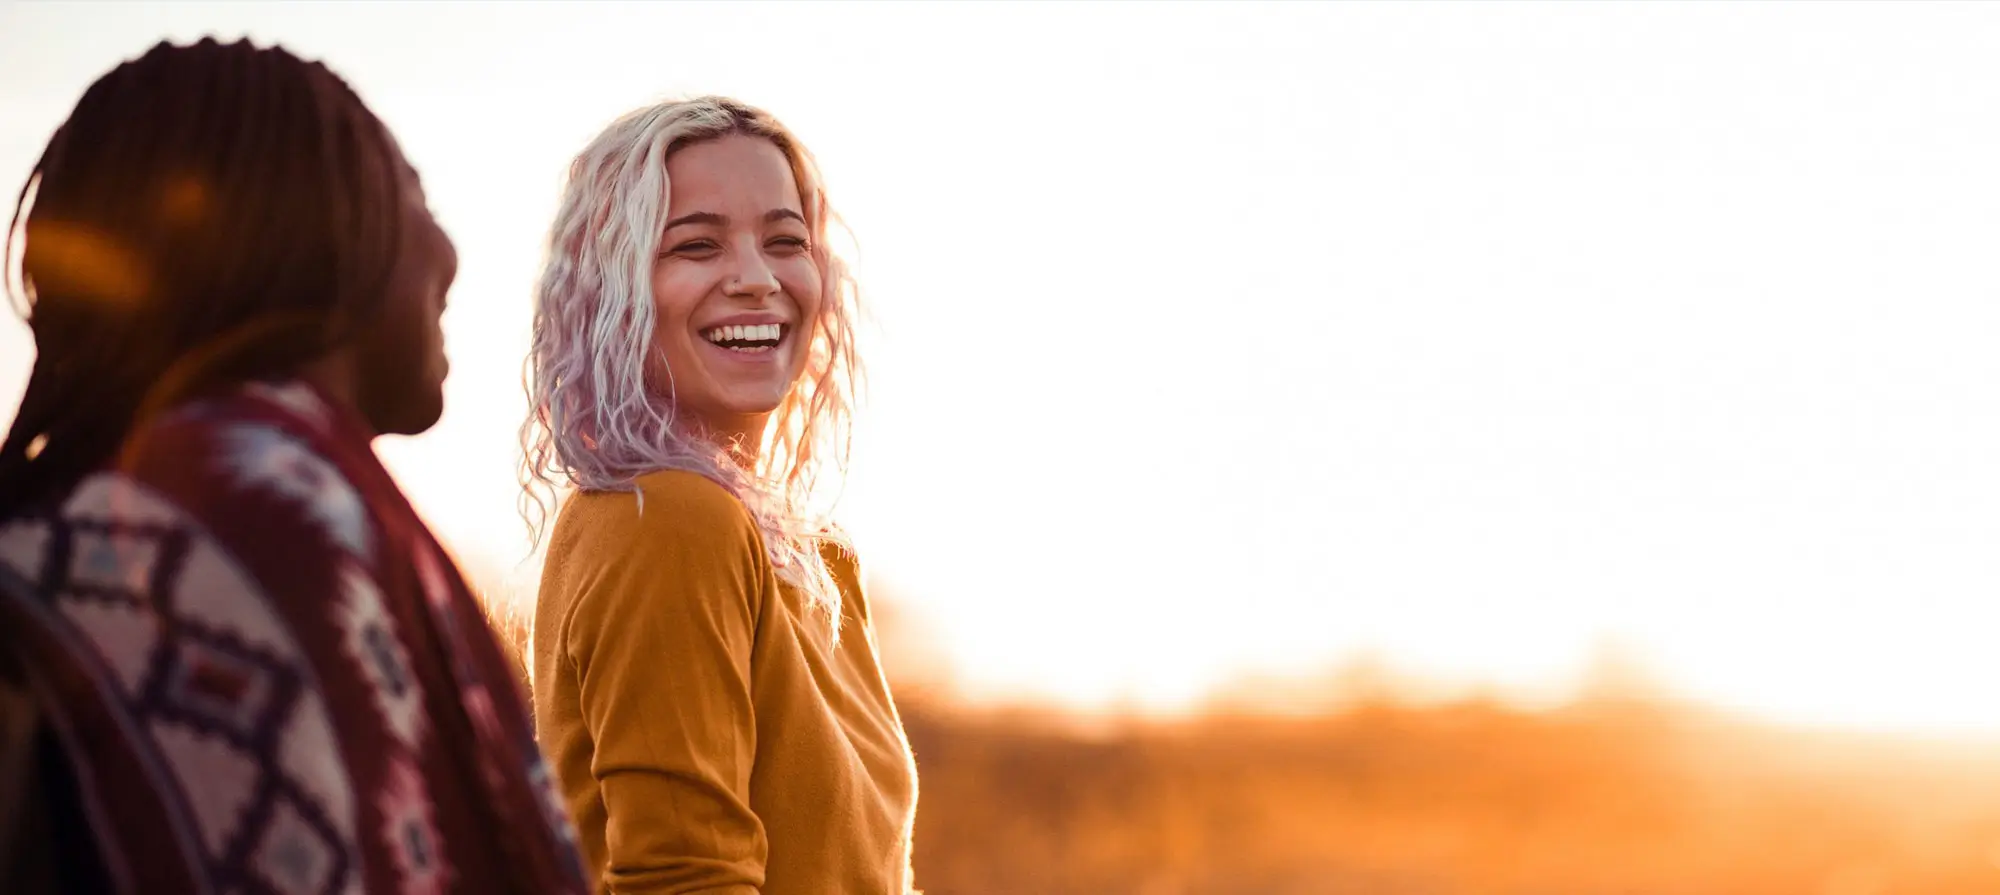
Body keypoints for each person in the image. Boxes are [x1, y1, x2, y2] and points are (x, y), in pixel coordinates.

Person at [0, 38, 588, 894]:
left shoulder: (100, 519)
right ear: (322, 226)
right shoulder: (267, 519)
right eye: (411, 193)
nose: (450, 254)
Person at [521, 97, 920, 894]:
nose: (756, 279)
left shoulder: (819, 557)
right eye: (696, 246)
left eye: (784, 241)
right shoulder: (667, 518)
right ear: (611, 288)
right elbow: (686, 880)